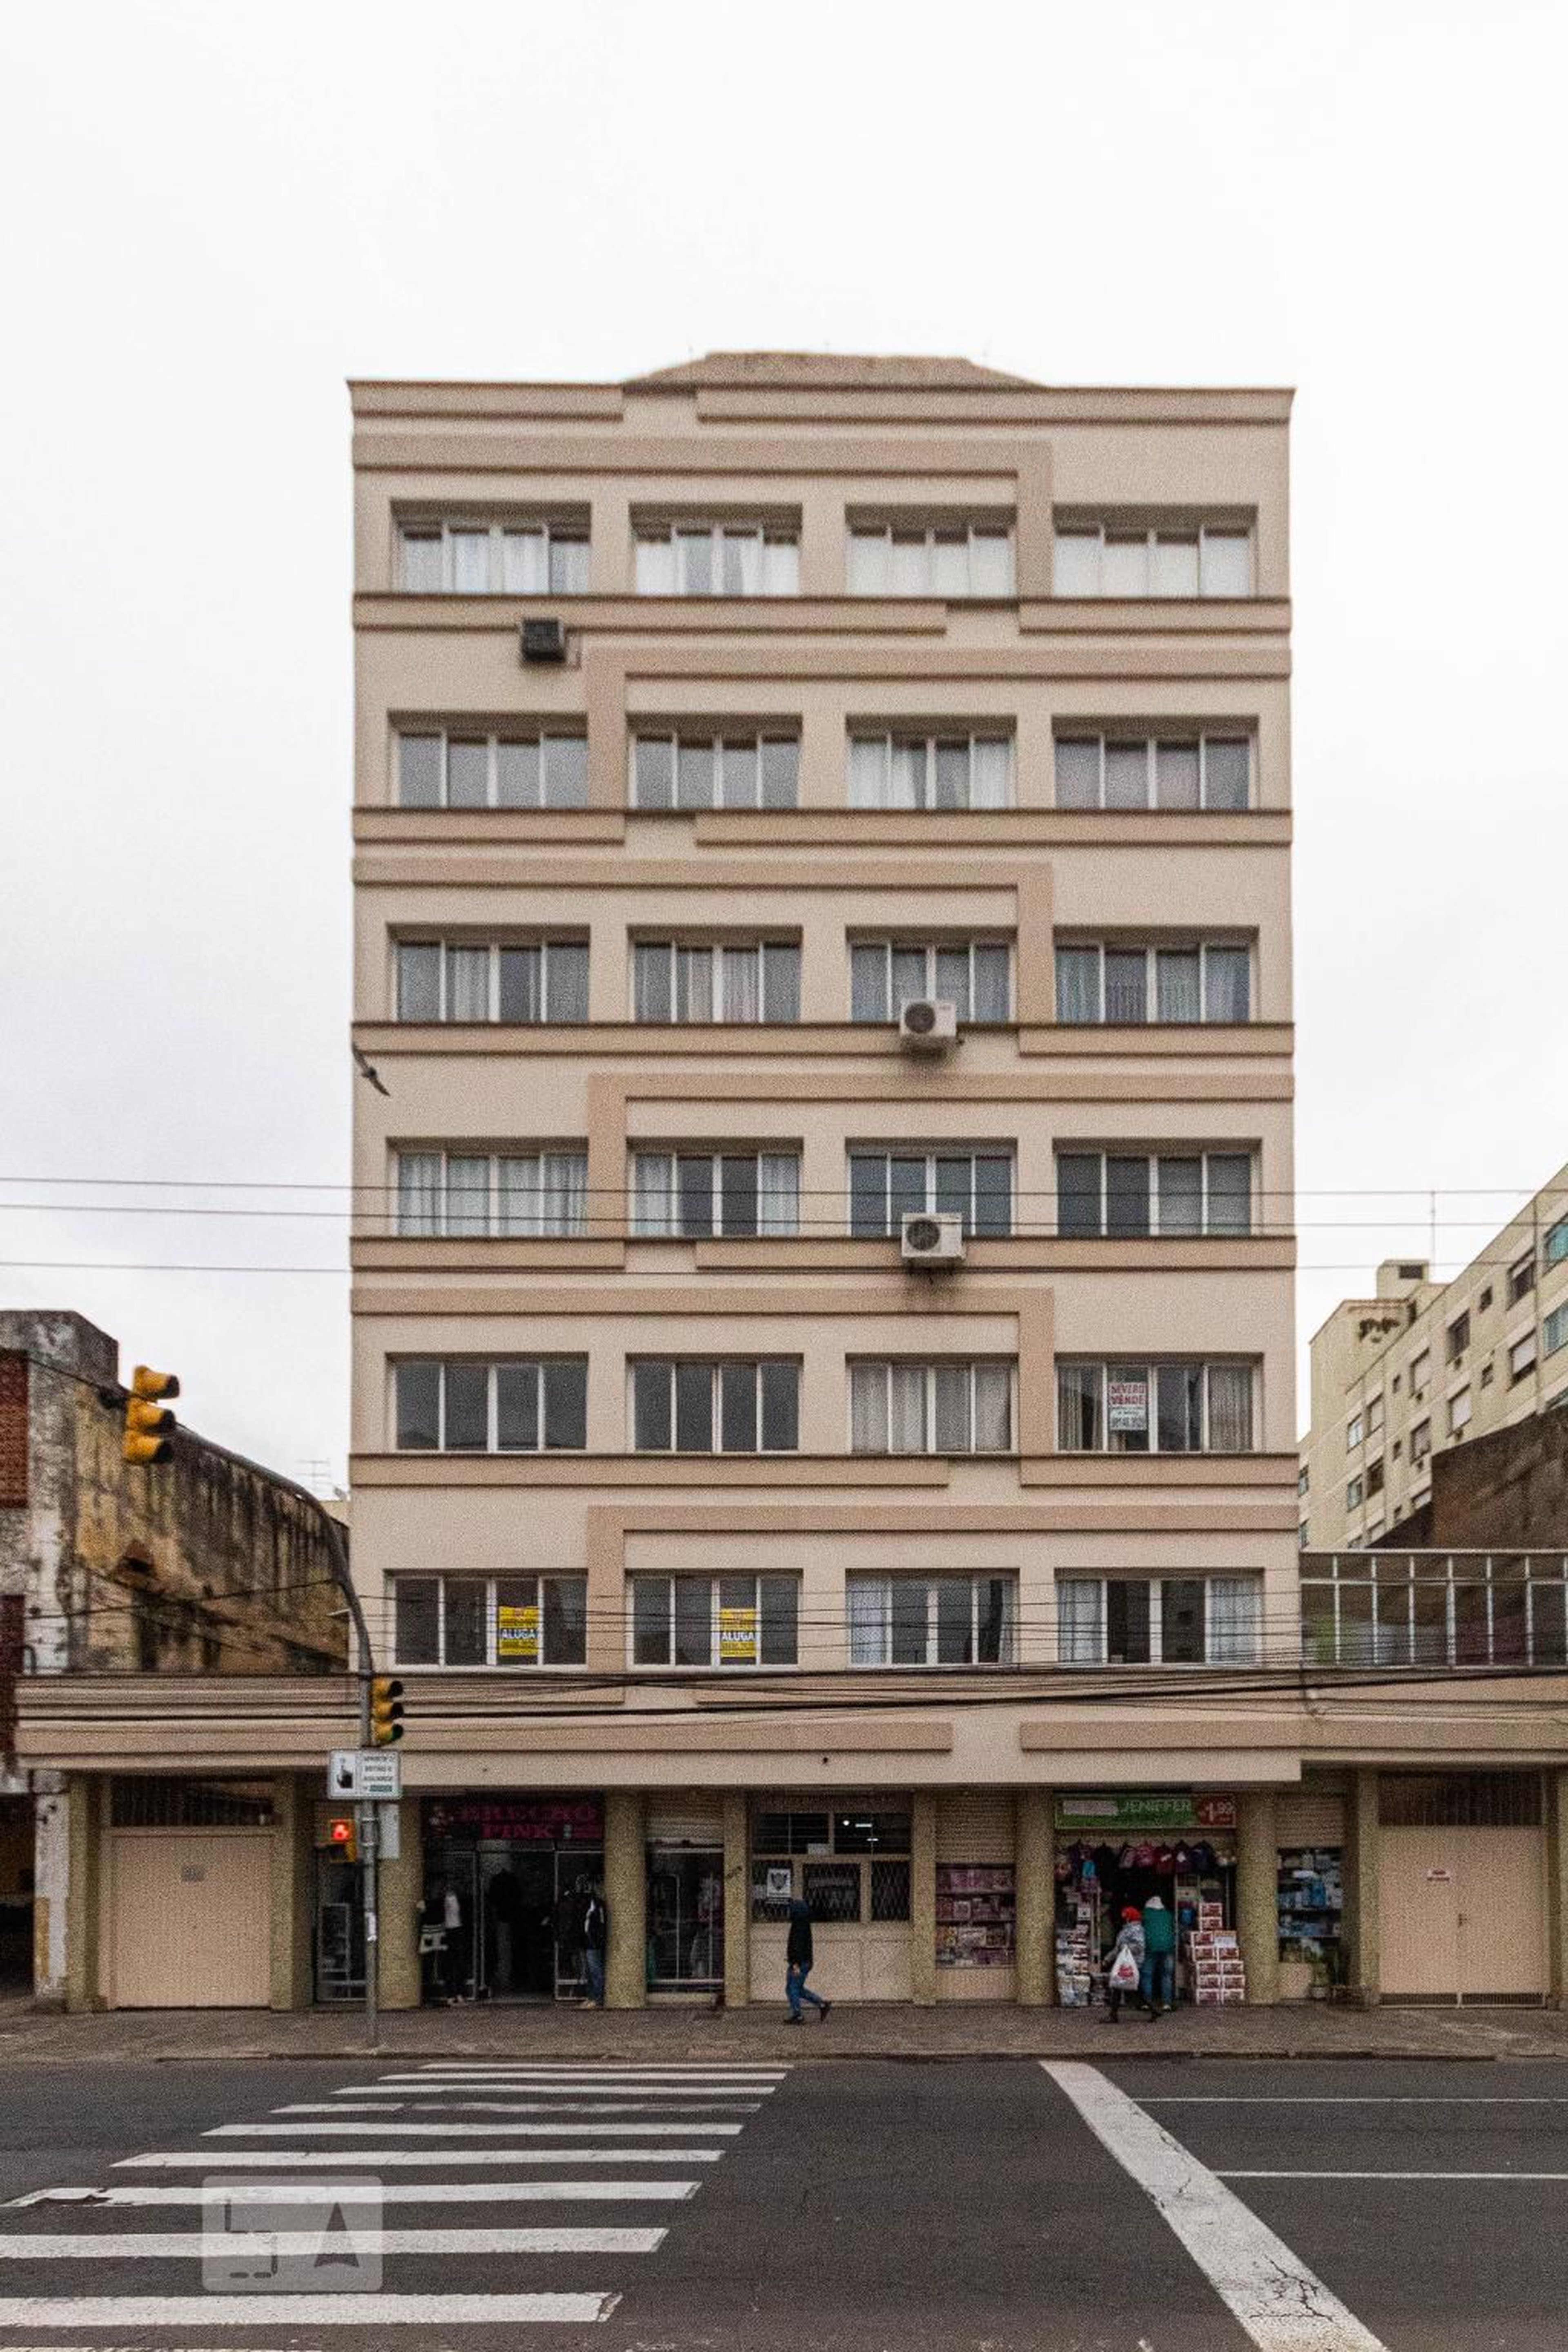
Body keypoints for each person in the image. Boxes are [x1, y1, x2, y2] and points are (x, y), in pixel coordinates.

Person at [784, 1895, 832, 2024]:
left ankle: (798, 2015)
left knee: (792, 1989)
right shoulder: (803, 1924)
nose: (790, 1912)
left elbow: (797, 1946)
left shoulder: (799, 1926)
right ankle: (822, 2004)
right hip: (804, 1961)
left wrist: (795, 1964)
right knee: (797, 1989)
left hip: (800, 1962)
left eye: (792, 1909)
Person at [1104, 1905, 1146, 2023]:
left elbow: (1139, 1946)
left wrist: (1125, 1948)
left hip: (1132, 1963)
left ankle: (1113, 2016)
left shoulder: (1136, 1930)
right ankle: (1153, 2010)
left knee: (1120, 1987)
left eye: (1126, 1917)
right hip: (1126, 1962)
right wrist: (1108, 1959)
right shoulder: (1126, 1929)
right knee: (1130, 1989)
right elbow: (1117, 1948)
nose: (1124, 1919)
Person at [1140, 1893, 1176, 2018]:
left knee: (1147, 1974)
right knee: (1167, 1975)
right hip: (1168, 1947)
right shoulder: (1168, 1914)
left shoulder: (1145, 1914)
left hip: (1150, 1947)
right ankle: (1167, 2003)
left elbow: (1140, 1929)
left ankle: (1147, 2003)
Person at [580, 1881, 608, 2009]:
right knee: (590, 1972)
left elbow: (601, 1925)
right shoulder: (587, 1905)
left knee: (595, 1971)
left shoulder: (598, 1906)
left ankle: (597, 1998)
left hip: (594, 1943)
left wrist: (598, 1940)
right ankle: (591, 1997)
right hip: (588, 1941)